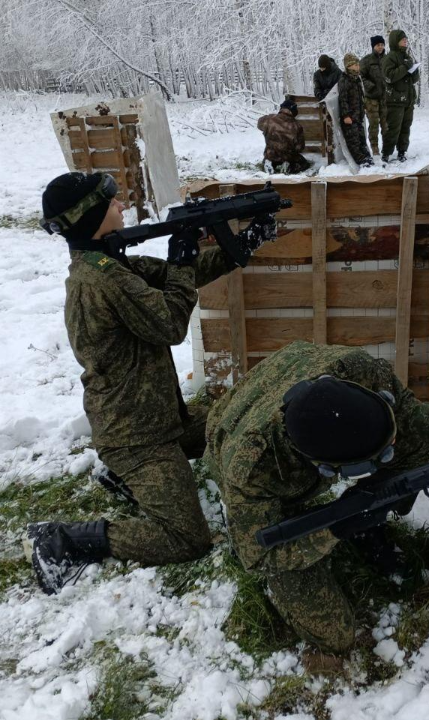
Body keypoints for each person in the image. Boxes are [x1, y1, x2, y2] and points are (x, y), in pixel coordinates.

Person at [26, 171, 278, 595]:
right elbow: (170, 322)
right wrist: (181, 261)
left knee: (237, 420)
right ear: (90, 217)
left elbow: (179, 275)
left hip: (164, 421)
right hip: (137, 437)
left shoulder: (108, 261)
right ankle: (65, 539)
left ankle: (126, 480)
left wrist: (244, 243)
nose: (122, 206)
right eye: (111, 203)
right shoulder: (103, 279)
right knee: (187, 539)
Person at [205, 341, 429, 662]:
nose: (393, 447)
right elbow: (260, 555)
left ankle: (369, 522)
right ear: (327, 469)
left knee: (423, 449)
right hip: (233, 431)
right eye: (379, 457)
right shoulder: (252, 470)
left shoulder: (356, 370)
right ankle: (354, 528)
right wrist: (337, 528)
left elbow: (406, 409)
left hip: (290, 382)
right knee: (336, 633)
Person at [381, 29, 420, 163]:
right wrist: (404, 67)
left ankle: (402, 151)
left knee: (405, 128)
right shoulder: (389, 58)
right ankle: (386, 153)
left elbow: (414, 80)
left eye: (406, 40)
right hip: (395, 101)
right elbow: (389, 77)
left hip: (408, 100)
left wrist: (414, 70)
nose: (405, 41)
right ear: (395, 41)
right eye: (403, 40)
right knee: (393, 129)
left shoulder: (407, 57)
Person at [257, 98, 311, 174]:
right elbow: (300, 147)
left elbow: (259, 124)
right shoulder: (297, 126)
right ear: (293, 111)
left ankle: (269, 163)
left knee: (269, 157)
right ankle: (288, 166)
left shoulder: (269, 119)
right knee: (305, 164)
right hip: (287, 156)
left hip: (270, 155)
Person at [337, 54, 373, 168]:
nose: (358, 67)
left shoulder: (357, 79)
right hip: (350, 118)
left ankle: (366, 156)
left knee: (361, 138)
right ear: (349, 66)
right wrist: (346, 115)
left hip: (358, 115)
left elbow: (360, 95)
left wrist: (364, 107)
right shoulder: (344, 80)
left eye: (358, 64)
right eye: (356, 65)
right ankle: (361, 160)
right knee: (354, 140)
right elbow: (343, 99)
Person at [359, 35, 388, 156]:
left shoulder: (388, 59)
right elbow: (361, 76)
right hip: (371, 99)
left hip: (385, 98)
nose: (380, 47)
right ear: (373, 46)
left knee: (386, 126)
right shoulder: (366, 60)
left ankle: (386, 149)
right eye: (378, 45)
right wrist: (369, 85)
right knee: (374, 125)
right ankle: (375, 149)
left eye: (382, 45)